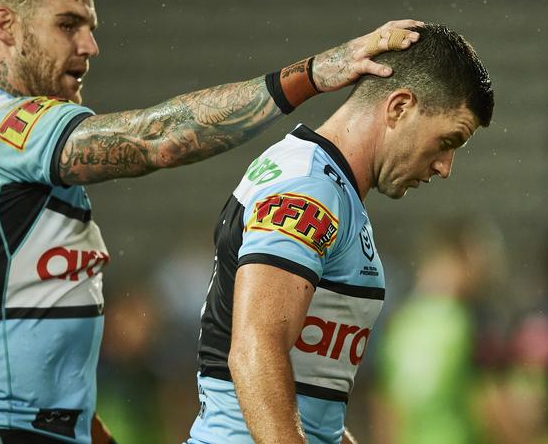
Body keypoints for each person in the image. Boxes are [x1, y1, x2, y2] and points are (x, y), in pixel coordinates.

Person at [0, 0, 421, 442]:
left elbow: (10, 332)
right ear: (5, 27)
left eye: (90, 26)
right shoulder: (3, 128)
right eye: (68, 24)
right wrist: (310, 76)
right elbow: (157, 137)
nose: (90, 45)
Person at [189, 23, 494, 444]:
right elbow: (255, 348)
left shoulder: (331, 189)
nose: (445, 166)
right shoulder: (307, 189)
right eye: (448, 140)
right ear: (399, 107)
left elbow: (314, 415)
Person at [371, 217, 505, 444]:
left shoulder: (400, 321)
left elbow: (385, 407)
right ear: (459, 259)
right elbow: (488, 404)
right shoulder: (467, 320)